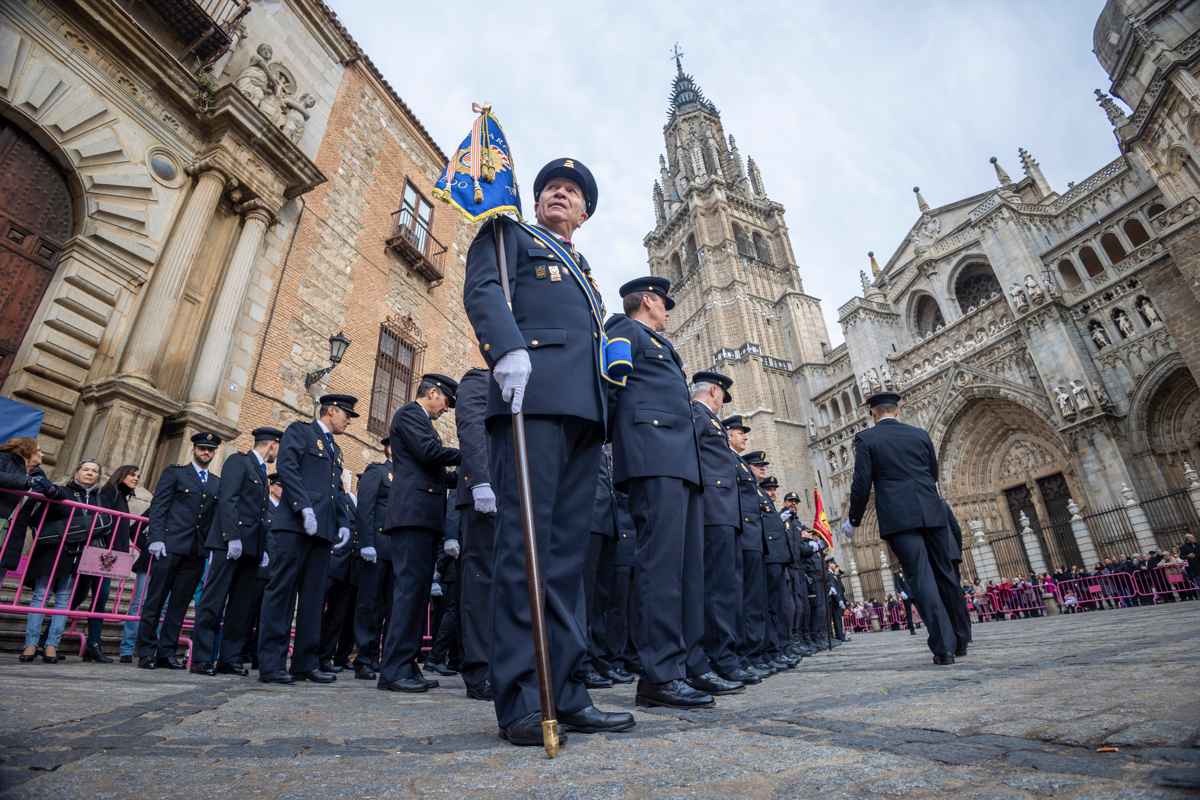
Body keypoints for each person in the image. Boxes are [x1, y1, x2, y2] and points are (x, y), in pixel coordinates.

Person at [463, 157, 633, 745]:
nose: (560, 194)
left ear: (583, 214)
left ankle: (568, 689)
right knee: (524, 552)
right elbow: (484, 286)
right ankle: (521, 701)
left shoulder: (585, 272)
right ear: (536, 202)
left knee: (565, 563)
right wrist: (503, 348)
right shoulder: (507, 231)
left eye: (572, 191)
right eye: (551, 188)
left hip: (584, 415)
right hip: (530, 398)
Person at [606, 276, 727, 708]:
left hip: (679, 464)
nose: (668, 313)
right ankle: (658, 675)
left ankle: (686, 665)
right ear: (650, 301)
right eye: (665, 304)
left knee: (685, 573)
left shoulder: (658, 343)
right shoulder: (624, 330)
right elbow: (612, 391)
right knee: (660, 570)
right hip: (652, 458)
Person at [845, 390, 962, 664]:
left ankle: (944, 647)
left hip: (899, 517)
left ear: (873, 413)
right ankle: (962, 638)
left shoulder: (867, 439)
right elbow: (932, 472)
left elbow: (861, 484)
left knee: (921, 578)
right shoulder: (920, 434)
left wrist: (854, 519)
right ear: (897, 410)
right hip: (931, 510)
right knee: (946, 573)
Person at [258, 396, 355, 685]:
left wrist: (343, 523)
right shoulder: (300, 432)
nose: (349, 420)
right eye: (346, 414)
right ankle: (272, 664)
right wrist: (304, 507)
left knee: (313, 600)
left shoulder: (336, 450)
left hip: (322, 533)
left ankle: (305, 662)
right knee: (282, 594)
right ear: (331, 410)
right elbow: (288, 469)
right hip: (294, 527)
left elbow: (336, 491)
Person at [378, 374, 460, 693]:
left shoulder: (423, 421)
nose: (446, 409)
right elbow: (429, 453)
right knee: (408, 594)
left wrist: (465, 477)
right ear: (433, 393)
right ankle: (394, 669)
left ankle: (407, 664)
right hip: (412, 516)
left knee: (417, 596)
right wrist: (467, 455)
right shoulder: (411, 415)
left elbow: (436, 473)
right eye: (446, 402)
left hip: (424, 518)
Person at [191, 428, 281, 677]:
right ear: (272, 445)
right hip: (229, 545)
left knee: (241, 608)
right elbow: (227, 499)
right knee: (214, 601)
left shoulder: (262, 472)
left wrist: (262, 548)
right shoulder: (238, 462)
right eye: (278, 447)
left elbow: (261, 514)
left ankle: (229, 659)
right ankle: (201, 658)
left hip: (252, 548)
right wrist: (231, 536)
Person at [690, 370, 755, 689]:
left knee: (727, 587)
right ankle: (720, 657)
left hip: (724, 512)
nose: (722, 406)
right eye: (722, 398)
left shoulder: (708, 420)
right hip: (712, 510)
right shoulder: (698, 416)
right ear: (715, 392)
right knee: (717, 589)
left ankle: (726, 655)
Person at [137, 436, 221, 669]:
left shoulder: (216, 483)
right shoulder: (175, 473)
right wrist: (156, 538)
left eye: (211, 450)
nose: (206, 452)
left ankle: (167, 652)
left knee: (179, 605)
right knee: (155, 601)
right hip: (170, 545)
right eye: (203, 448)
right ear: (194, 449)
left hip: (196, 550)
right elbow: (159, 506)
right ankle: (146, 651)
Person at [21, 459, 102, 663]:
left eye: (94, 471)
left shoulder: (98, 501)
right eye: (85, 469)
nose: (89, 473)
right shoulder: (62, 491)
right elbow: (39, 515)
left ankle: (51, 646)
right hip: (51, 552)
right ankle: (30, 644)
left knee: (63, 600)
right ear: (76, 472)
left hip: (76, 554)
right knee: (41, 596)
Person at [453, 367, 496, 701]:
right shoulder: (478, 379)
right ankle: (480, 671)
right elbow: (471, 428)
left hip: (513, 495)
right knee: (481, 581)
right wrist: (481, 480)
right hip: (486, 495)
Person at [723, 416, 769, 682]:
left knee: (752, 600)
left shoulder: (738, 462)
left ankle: (752, 653)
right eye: (741, 432)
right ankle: (742, 653)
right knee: (740, 598)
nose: (745, 437)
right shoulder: (730, 460)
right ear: (728, 433)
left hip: (750, 536)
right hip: (740, 533)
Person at [82, 464, 141, 663]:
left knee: (99, 598)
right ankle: (93, 644)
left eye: (138, 476)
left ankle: (94, 643)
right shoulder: (110, 492)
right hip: (102, 554)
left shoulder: (122, 496)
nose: (136, 479)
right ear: (121, 475)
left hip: (111, 556)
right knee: (86, 597)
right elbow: (102, 522)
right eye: (132, 475)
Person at [352, 437, 392, 680]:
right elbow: (365, 508)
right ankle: (364, 658)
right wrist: (366, 542)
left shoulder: (407, 475)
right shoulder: (377, 471)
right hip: (376, 548)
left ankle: (379, 657)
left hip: (396, 551)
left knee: (389, 607)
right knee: (369, 605)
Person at [319, 487, 362, 673]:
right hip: (335, 562)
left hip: (353, 567)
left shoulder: (364, 505)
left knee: (344, 614)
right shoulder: (342, 498)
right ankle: (320, 656)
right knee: (326, 613)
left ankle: (341, 656)